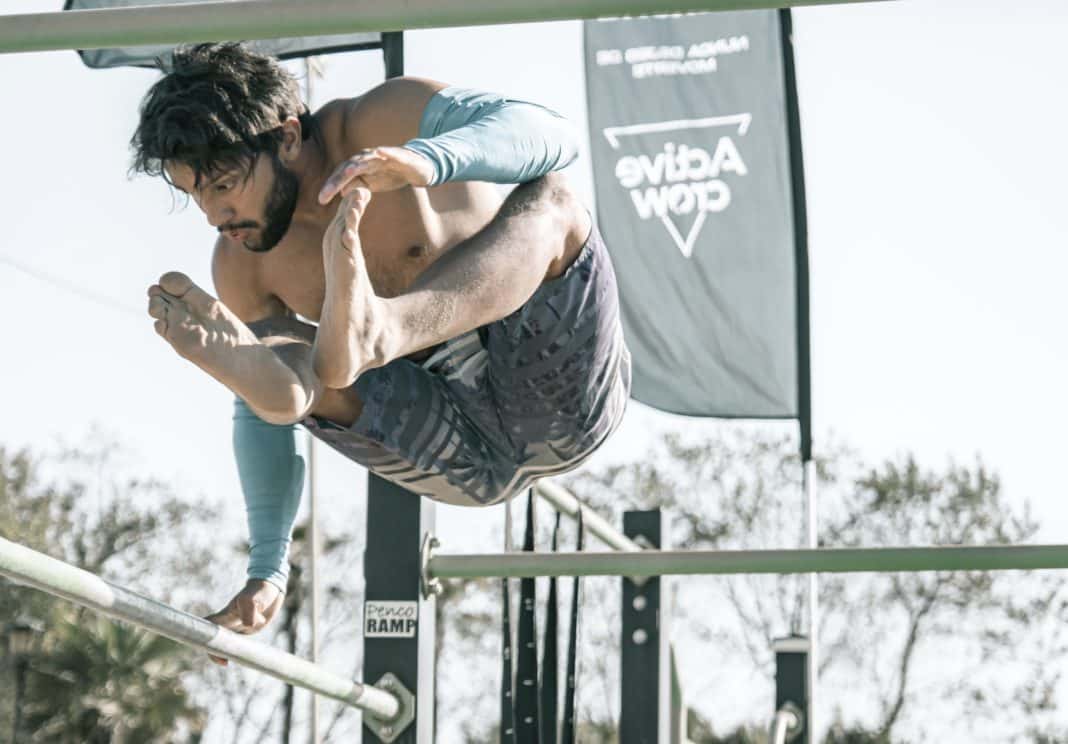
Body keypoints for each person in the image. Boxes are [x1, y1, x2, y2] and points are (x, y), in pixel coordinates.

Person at [134, 43, 630, 644]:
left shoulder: (385, 118)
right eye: (196, 195)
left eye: (225, 185)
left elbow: (552, 134)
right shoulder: (244, 265)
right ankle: (300, 380)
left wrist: (428, 161)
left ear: (287, 137)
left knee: (553, 199)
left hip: (558, 396)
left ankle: (382, 329)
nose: (215, 215)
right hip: (454, 453)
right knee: (287, 371)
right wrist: (267, 569)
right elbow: (256, 415)